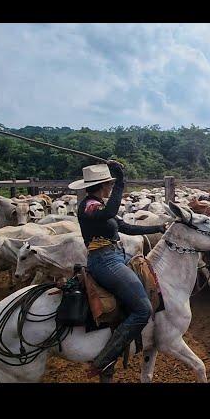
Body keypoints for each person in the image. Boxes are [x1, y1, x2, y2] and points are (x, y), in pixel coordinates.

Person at [68, 160, 166, 378]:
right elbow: (110, 211)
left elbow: (126, 227)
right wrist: (122, 180)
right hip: (104, 261)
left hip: (115, 256)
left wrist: (159, 228)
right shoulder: (89, 206)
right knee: (143, 310)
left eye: (113, 184)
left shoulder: (99, 206)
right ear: (103, 186)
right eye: (110, 185)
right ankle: (103, 360)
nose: (111, 188)